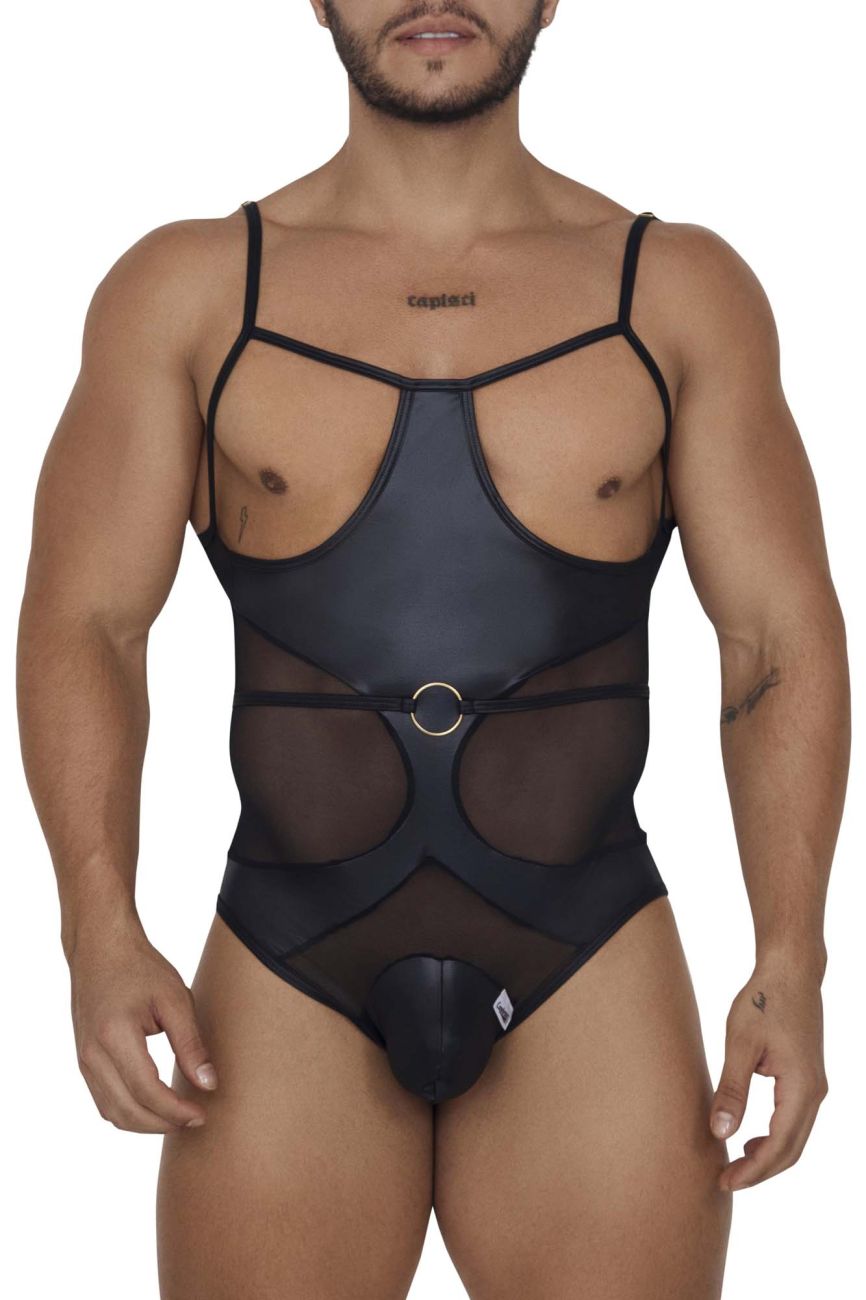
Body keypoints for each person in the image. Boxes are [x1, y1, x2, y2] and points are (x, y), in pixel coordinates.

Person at [16, 3, 849, 1297]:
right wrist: (96, 930)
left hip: (588, 949)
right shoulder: (188, 291)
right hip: (289, 956)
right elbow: (89, 624)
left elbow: (771, 642)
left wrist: (791, 957)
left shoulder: (678, 292)